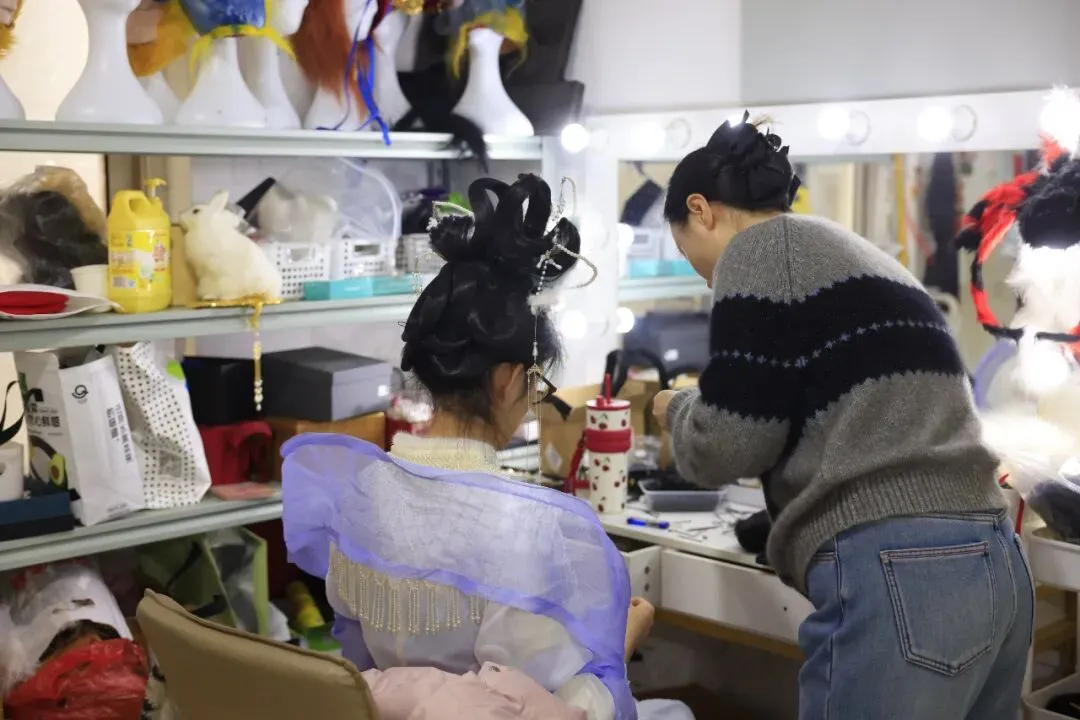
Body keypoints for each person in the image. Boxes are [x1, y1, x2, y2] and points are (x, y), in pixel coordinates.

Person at [651, 114, 1033, 719]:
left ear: (701, 210)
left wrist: (676, 410)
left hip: (903, 569)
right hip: (996, 556)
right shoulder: (853, 252)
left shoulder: (756, 251)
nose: (702, 276)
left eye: (685, 251)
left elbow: (728, 444)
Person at [283, 174, 692, 720]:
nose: (532, 401)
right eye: (535, 385)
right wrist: (619, 646)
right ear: (507, 379)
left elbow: (362, 665)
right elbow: (539, 707)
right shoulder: (522, 526)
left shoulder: (360, 494)